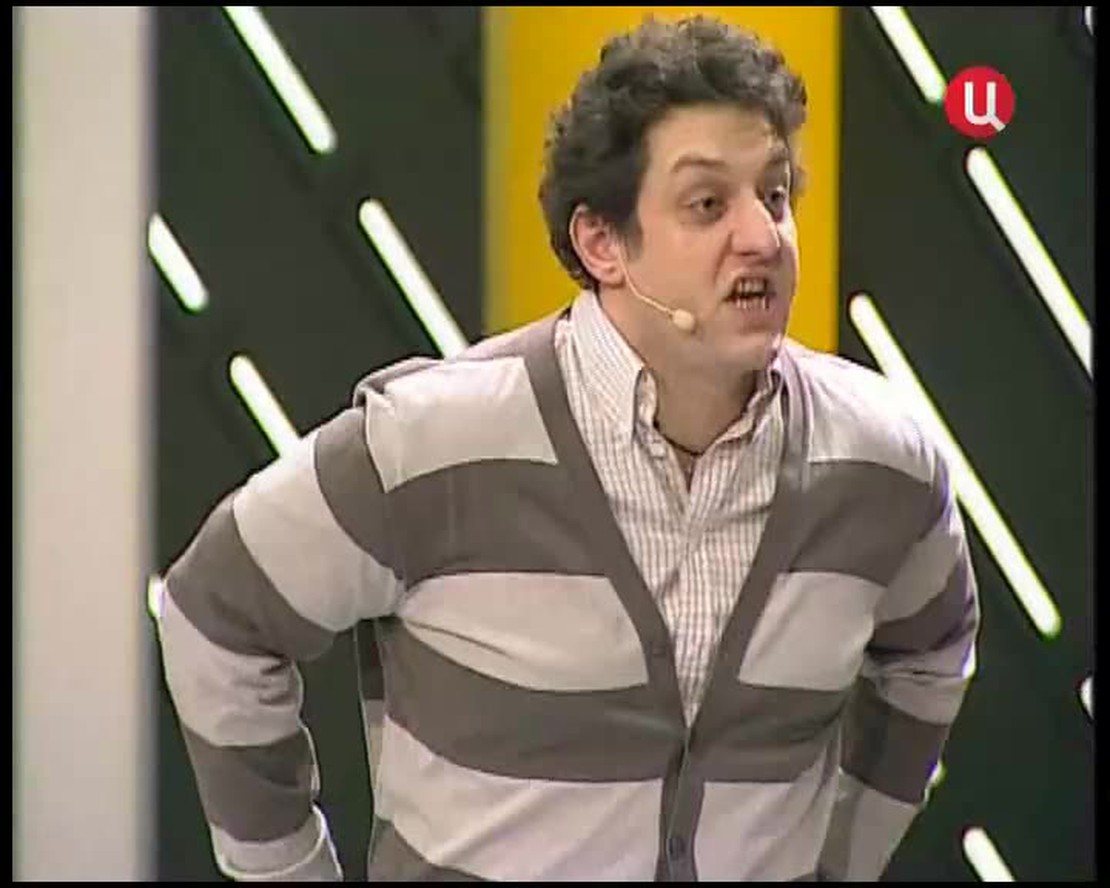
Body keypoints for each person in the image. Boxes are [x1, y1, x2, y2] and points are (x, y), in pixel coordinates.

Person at [156, 14, 980, 882]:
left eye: (774, 196)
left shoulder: (882, 464)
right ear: (602, 244)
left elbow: (933, 655)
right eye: (708, 204)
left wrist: (843, 861)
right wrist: (285, 871)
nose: (763, 237)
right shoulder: (431, 444)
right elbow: (217, 616)